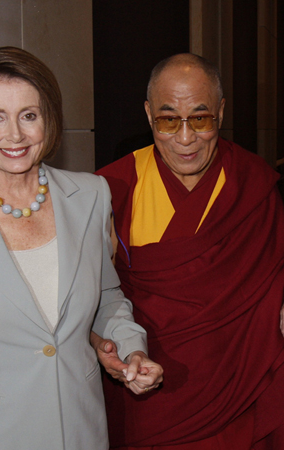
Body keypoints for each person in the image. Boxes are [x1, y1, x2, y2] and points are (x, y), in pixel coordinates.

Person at [0, 46, 163, 450]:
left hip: (82, 430)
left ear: (48, 121)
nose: (15, 135)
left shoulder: (90, 195)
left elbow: (108, 299)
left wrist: (131, 349)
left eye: (28, 115)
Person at [93, 53, 284, 449]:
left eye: (200, 118)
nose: (185, 138)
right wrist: (101, 347)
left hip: (242, 386)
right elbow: (91, 298)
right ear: (148, 115)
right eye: (168, 120)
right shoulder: (111, 188)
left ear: (220, 112)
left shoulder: (253, 183)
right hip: (149, 390)